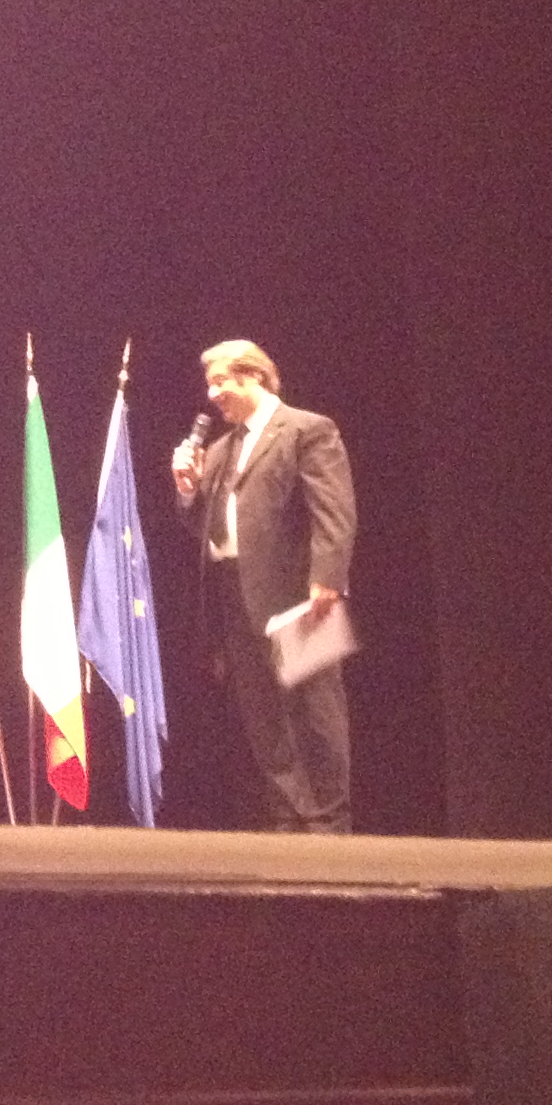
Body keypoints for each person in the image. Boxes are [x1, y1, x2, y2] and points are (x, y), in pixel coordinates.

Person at [170, 339, 355, 832]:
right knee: (264, 715)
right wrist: (188, 490)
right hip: (235, 596)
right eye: (210, 384)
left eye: (221, 382)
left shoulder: (306, 430)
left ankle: (329, 823)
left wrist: (327, 579)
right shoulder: (219, 449)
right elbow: (209, 528)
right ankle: (288, 818)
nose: (213, 394)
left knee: (314, 709)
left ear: (253, 375)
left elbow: (334, 513)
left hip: (298, 593)